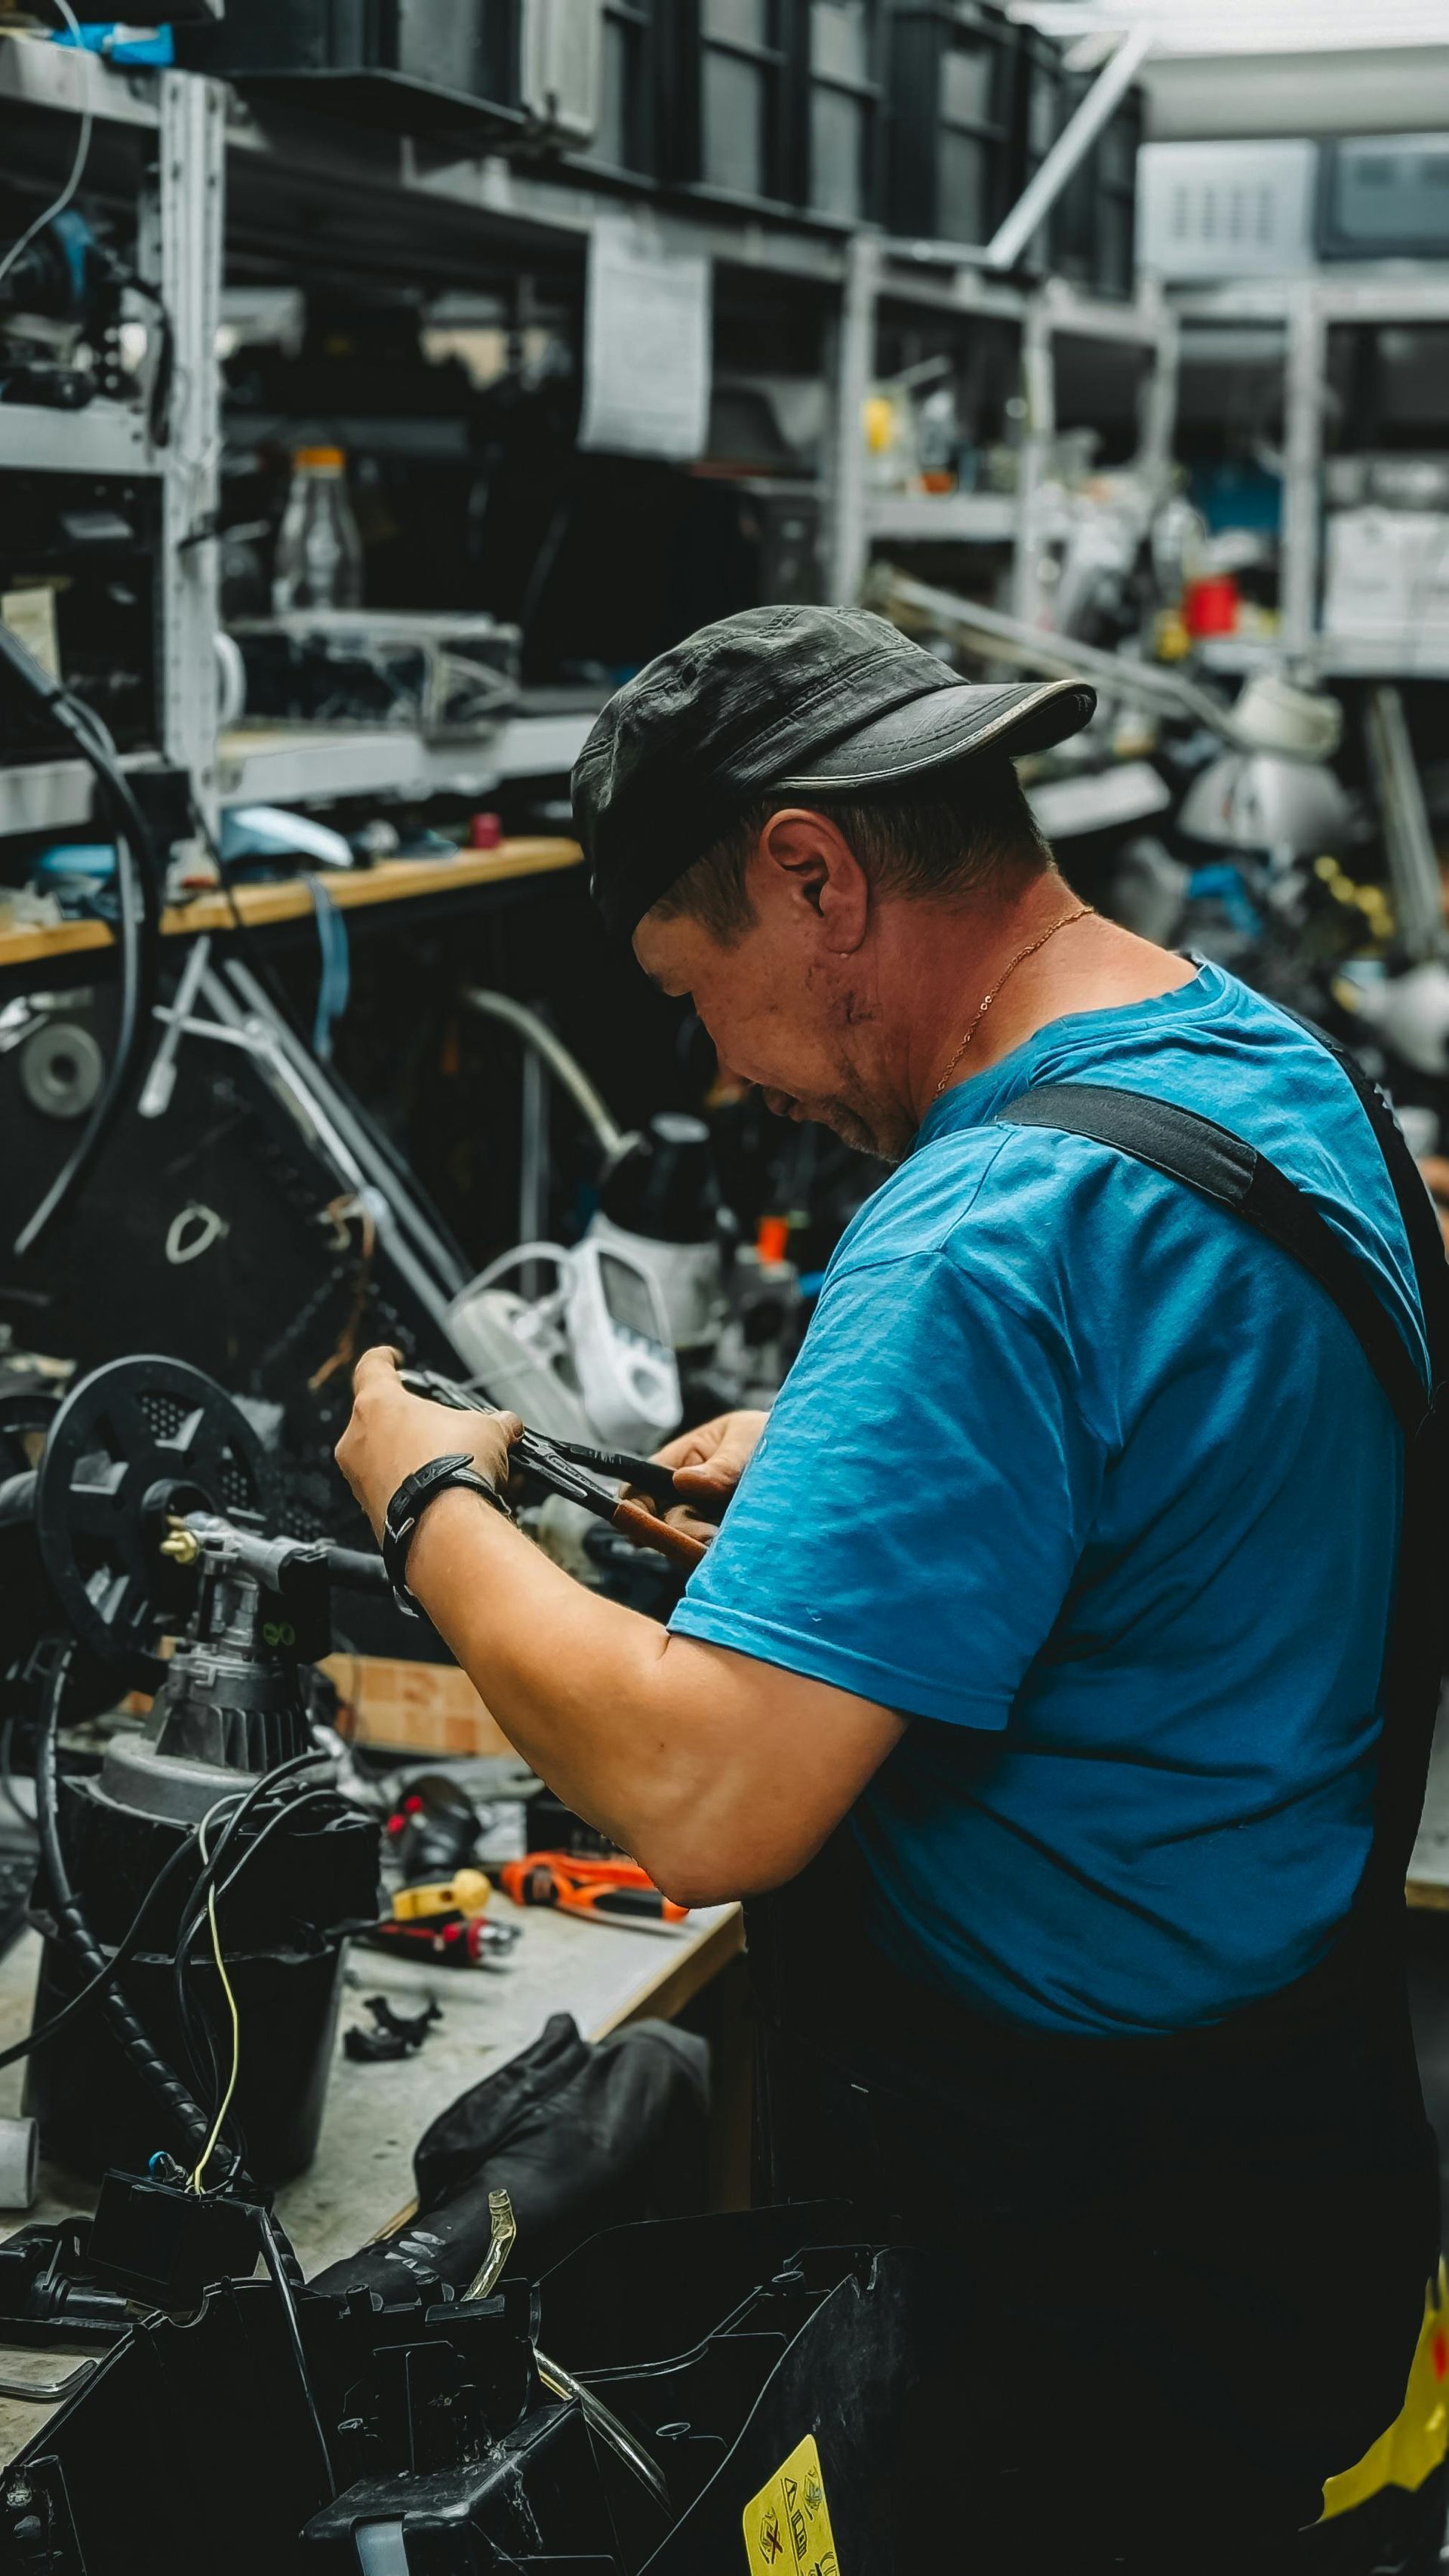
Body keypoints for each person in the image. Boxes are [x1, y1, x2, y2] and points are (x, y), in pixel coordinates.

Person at [337, 606, 1445, 2569]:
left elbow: (705, 1799)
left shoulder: (984, 1226)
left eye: (701, 994)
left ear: (812, 871)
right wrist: (882, 1471)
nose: (727, 1065)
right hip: (1297, 2158)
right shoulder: (1275, 1071)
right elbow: (1224, 1433)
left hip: (1074, 2282)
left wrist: (426, 1494)